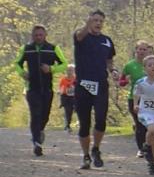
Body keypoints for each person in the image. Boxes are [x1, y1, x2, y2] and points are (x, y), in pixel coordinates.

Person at [14, 24, 68, 156]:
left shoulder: (53, 49)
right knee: (35, 114)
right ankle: (36, 143)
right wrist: (22, 73)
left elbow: (64, 64)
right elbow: (17, 63)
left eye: (41, 35)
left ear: (45, 35)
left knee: (45, 115)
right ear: (32, 36)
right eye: (36, 35)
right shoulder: (26, 49)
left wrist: (51, 69)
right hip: (32, 88)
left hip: (47, 88)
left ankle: (40, 131)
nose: (38, 37)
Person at [74, 10, 118, 169]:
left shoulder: (107, 40)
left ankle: (96, 149)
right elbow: (79, 36)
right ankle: (86, 156)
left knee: (101, 119)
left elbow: (109, 60)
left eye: (101, 21)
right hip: (83, 85)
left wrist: (113, 71)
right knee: (84, 123)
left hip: (101, 84)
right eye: (95, 20)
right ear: (89, 21)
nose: (98, 23)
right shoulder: (81, 36)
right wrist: (87, 24)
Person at [121, 40, 150, 157]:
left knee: (148, 124)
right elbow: (121, 82)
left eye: (144, 49)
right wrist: (125, 81)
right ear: (136, 50)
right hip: (134, 98)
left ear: (147, 51)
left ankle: (148, 146)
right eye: (140, 49)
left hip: (149, 98)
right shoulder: (129, 65)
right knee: (139, 124)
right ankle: (141, 149)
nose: (142, 51)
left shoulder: (151, 64)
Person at [58, 64, 77, 132]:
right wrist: (60, 93)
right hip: (66, 97)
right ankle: (67, 126)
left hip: (74, 97)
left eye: (71, 70)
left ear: (74, 71)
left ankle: (83, 125)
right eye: (68, 70)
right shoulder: (63, 79)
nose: (69, 72)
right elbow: (60, 88)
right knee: (68, 111)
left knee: (78, 110)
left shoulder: (76, 79)